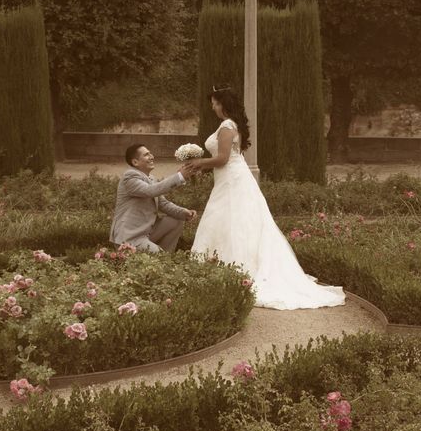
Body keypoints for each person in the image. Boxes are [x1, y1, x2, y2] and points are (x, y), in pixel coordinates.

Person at [186, 86, 345, 310]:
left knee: (231, 221)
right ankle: (226, 266)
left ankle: (235, 268)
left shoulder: (226, 126)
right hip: (230, 177)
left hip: (232, 179)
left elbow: (222, 159)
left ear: (223, 103)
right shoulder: (231, 125)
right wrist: (201, 165)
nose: (212, 106)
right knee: (235, 221)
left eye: (214, 102)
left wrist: (199, 163)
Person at [110, 143, 197, 252]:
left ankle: (166, 256)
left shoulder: (151, 178)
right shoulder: (129, 177)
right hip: (130, 237)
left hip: (146, 232)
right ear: (135, 162)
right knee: (157, 255)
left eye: (150, 153)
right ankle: (161, 257)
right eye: (146, 155)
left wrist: (184, 212)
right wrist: (180, 176)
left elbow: (163, 204)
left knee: (177, 220)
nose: (152, 157)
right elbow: (150, 191)